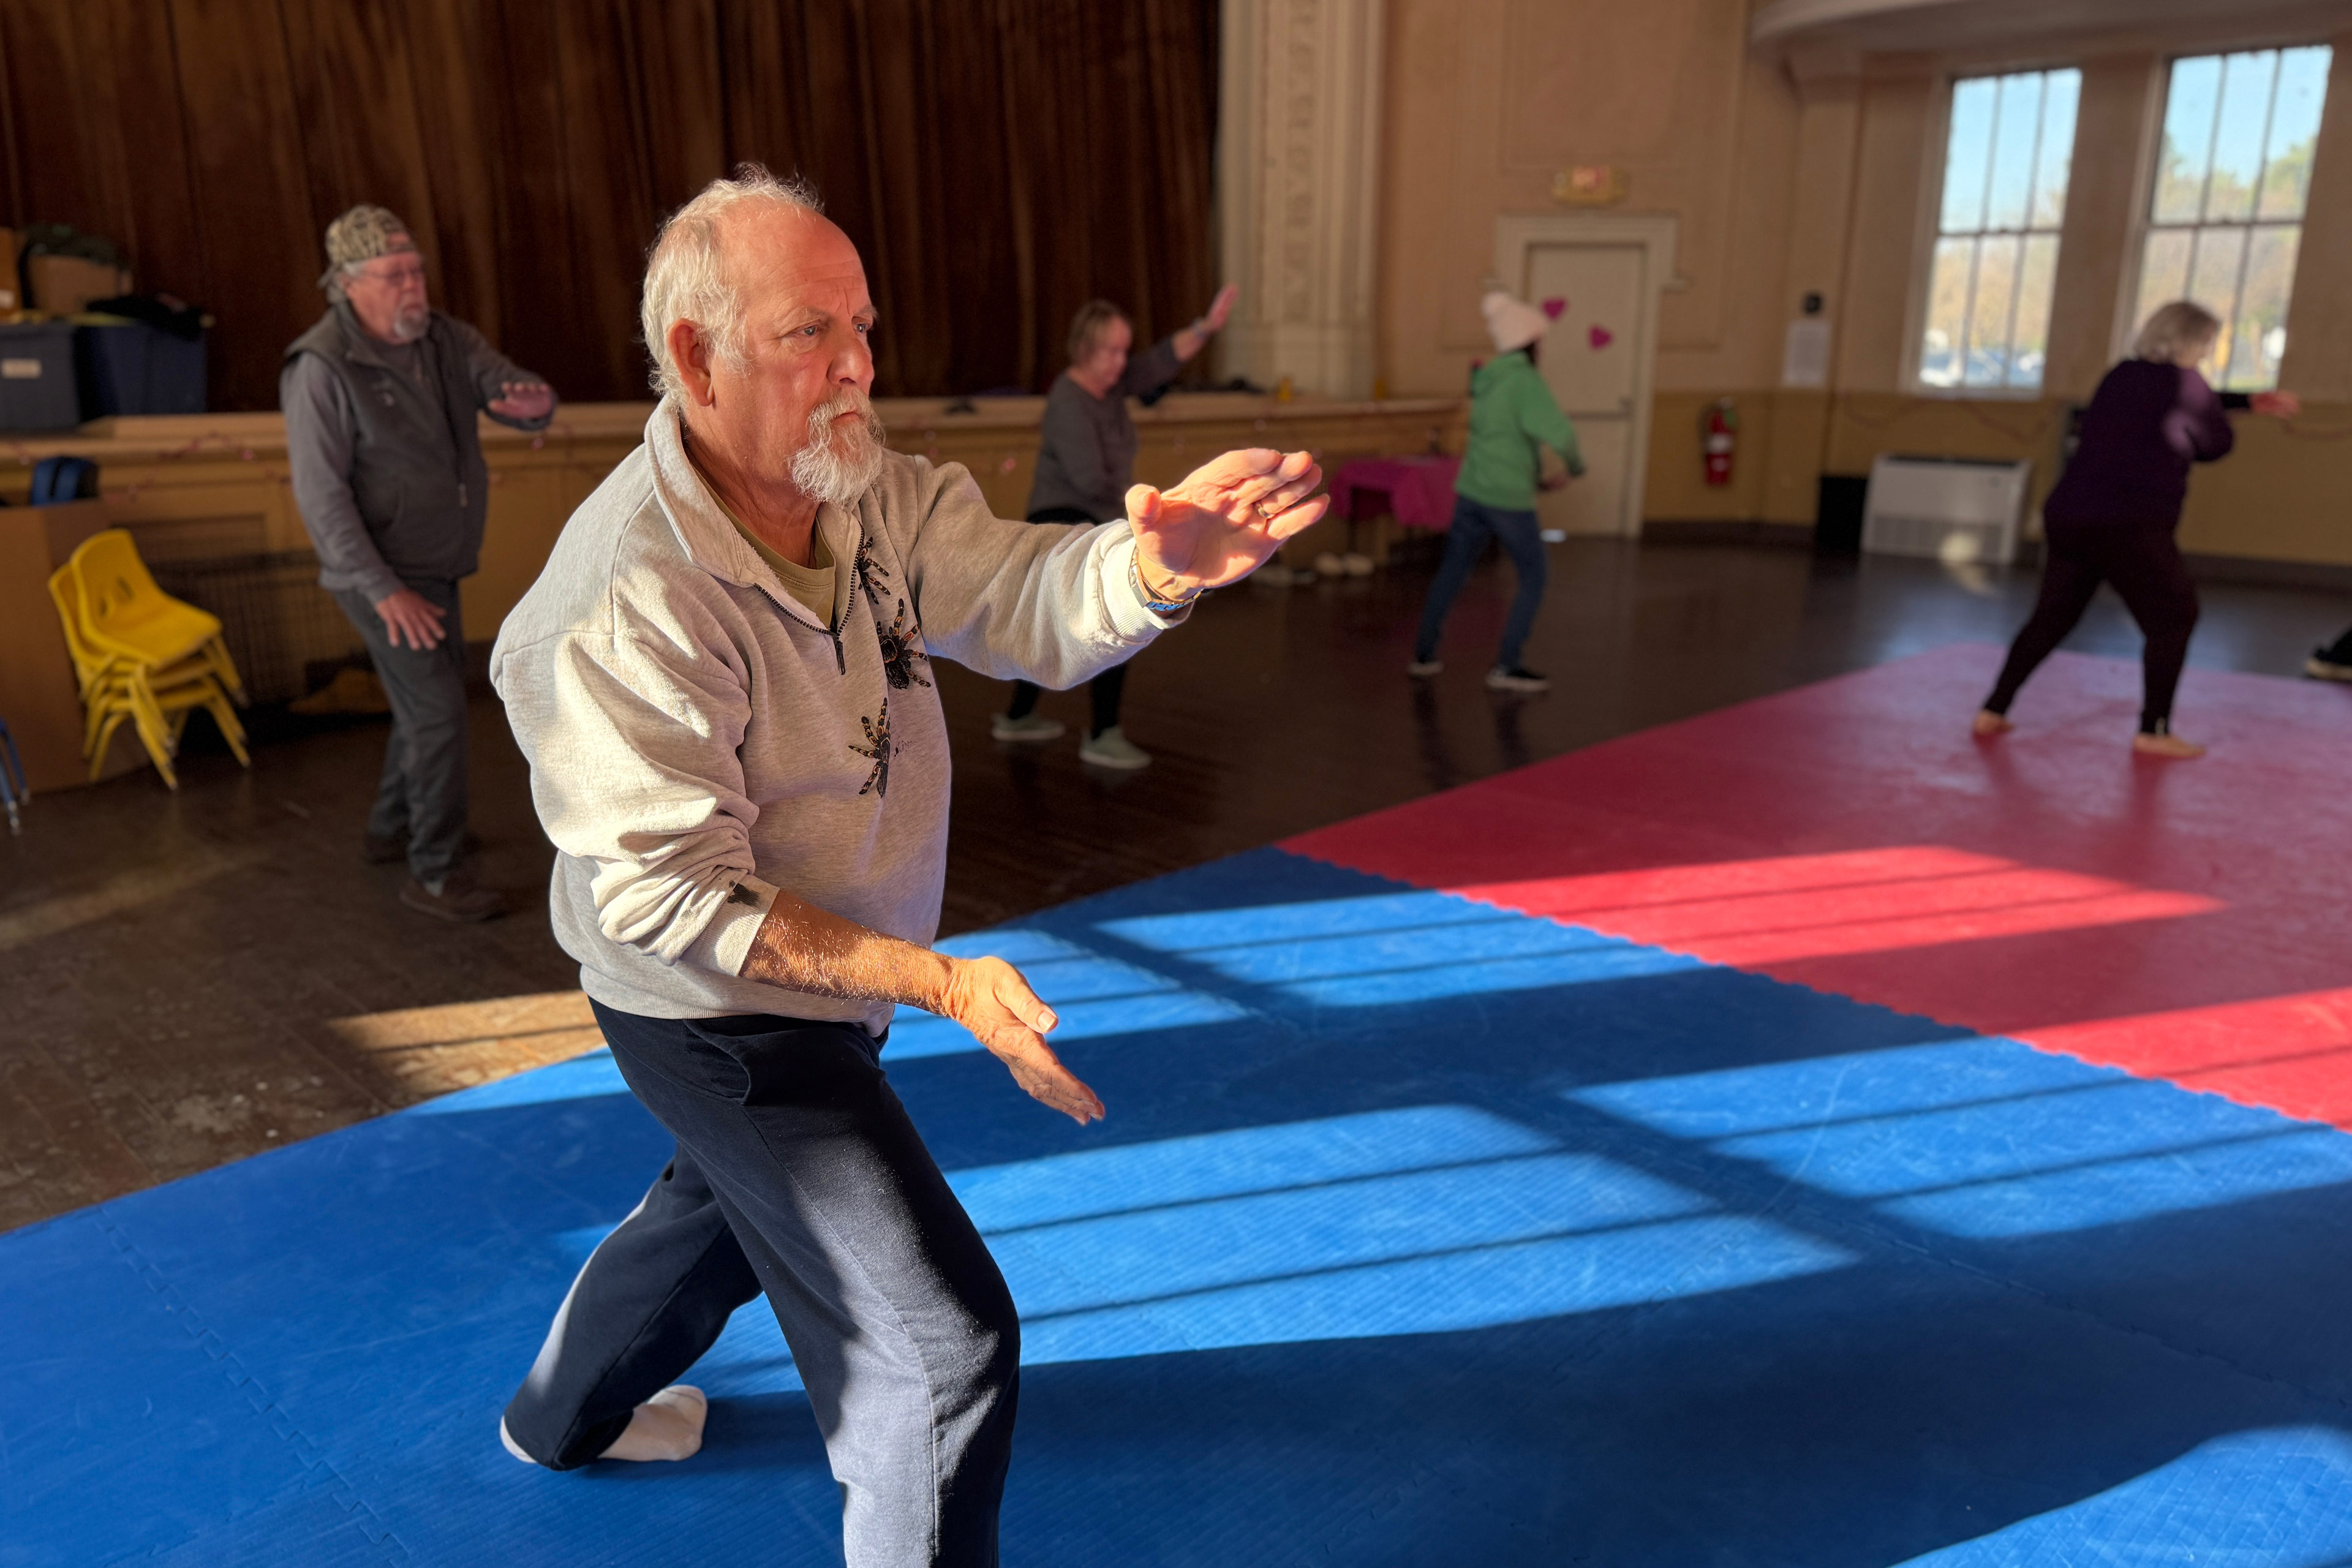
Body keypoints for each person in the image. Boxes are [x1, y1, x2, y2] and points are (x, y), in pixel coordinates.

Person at [488, 168, 1325, 1568]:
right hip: (710, 1009)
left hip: (822, 979)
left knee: (717, 1216)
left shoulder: (861, 488)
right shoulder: (616, 599)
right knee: (938, 1355)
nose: (860, 365)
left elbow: (1025, 601)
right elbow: (682, 903)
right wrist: (939, 981)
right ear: (695, 357)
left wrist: (1156, 568)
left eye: (863, 325)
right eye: (809, 332)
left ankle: (555, 1415)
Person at [282, 205, 556, 921]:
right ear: (346, 285)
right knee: (438, 713)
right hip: (380, 576)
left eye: (417, 270)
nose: (413, 286)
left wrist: (528, 402)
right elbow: (323, 499)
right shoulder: (320, 367)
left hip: (436, 563)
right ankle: (435, 870)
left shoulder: (443, 339)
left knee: (420, 708)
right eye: (394, 275)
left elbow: (506, 385)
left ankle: (389, 830)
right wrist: (383, 591)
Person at [1975, 300, 2299, 758]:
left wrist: (2240, 401)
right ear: (2192, 342)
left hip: (2070, 515)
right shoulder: (2188, 384)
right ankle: (2154, 730)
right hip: (2129, 524)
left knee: (2053, 616)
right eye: (2206, 343)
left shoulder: (2121, 374)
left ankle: (1993, 709)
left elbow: (2169, 401)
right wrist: (2227, 415)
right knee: (2175, 617)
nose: (2207, 353)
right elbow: (2214, 445)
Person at [991, 285, 1237, 768]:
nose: (1122, 361)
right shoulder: (1069, 399)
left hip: (1097, 520)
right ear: (1086, 349)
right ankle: (1099, 733)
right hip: (1062, 522)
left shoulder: (1113, 387)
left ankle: (1021, 718)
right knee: (1118, 615)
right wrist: (1150, 513)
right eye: (1112, 350)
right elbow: (1091, 480)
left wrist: (1206, 327)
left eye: (1124, 350)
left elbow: (1161, 361)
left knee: (1067, 626)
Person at [1408, 288, 1581, 693]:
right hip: (1507, 499)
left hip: (1472, 491)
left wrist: (1535, 478)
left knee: (1452, 572)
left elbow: (1505, 441)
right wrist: (1574, 467)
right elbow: (1559, 434)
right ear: (1530, 341)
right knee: (1535, 576)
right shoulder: (1526, 382)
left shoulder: (1486, 380)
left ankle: (1423, 655)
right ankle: (1507, 665)